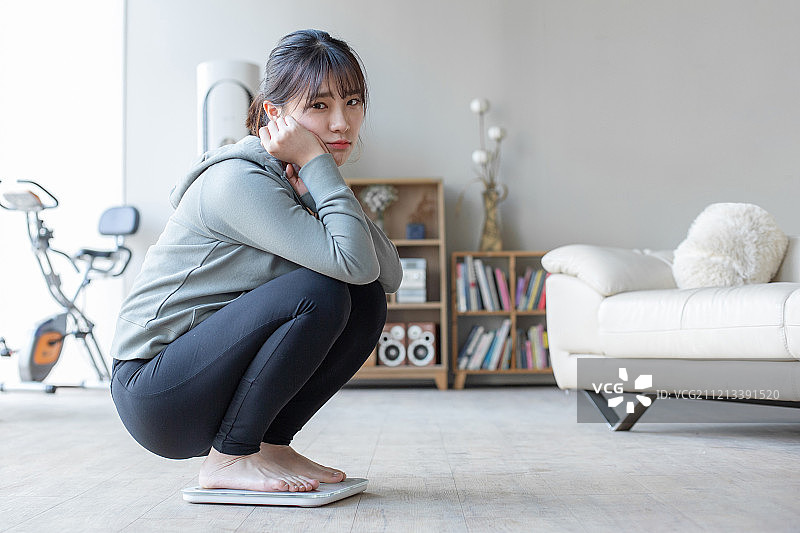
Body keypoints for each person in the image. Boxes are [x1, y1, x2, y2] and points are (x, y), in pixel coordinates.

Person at [110, 29, 402, 493]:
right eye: (319, 106)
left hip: (209, 376)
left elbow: (384, 276)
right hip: (156, 391)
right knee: (320, 291)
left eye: (353, 102)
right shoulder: (239, 182)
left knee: (362, 299)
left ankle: (269, 445)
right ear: (274, 113)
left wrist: (321, 179)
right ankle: (229, 460)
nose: (342, 123)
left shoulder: (303, 178)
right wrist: (320, 168)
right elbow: (357, 263)